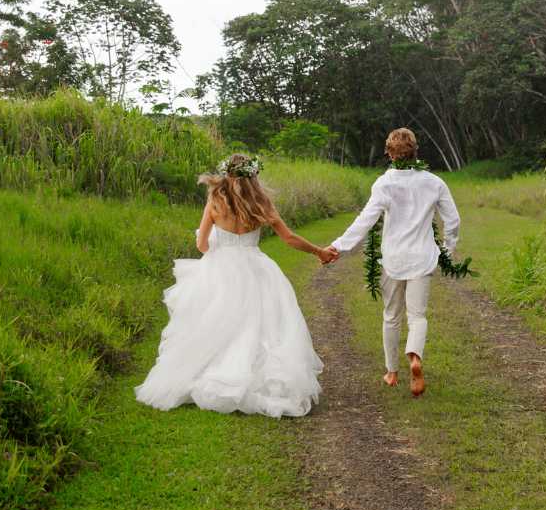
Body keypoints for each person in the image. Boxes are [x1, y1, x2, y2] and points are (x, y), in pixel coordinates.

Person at [134, 154, 336, 418]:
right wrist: (318, 251)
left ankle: (216, 374)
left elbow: (202, 246)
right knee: (260, 325)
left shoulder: (215, 201)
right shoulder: (261, 202)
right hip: (256, 266)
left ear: (225, 173)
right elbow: (289, 238)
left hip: (221, 266)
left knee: (216, 322)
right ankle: (258, 377)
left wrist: (217, 250)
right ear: (253, 175)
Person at [324, 128, 460, 397]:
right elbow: (453, 221)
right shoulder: (434, 182)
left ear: (389, 154)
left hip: (394, 259)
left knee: (391, 316)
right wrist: (445, 250)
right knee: (418, 315)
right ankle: (415, 358)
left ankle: (391, 371)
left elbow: (365, 220)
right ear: (416, 151)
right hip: (422, 257)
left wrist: (338, 245)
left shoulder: (384, 184)